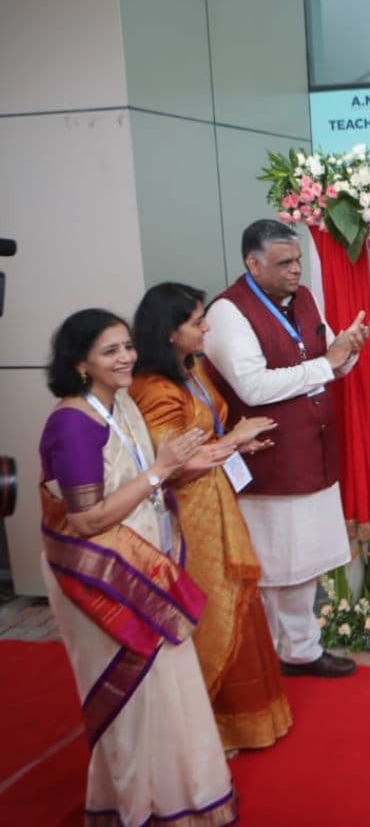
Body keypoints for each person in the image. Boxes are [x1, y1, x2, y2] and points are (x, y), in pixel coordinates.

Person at [38, 309, 236, 826]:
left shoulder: (120, 404)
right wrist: (160, 471)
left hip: (144, 561)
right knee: (135, 698)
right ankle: (135, 808)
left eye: (127, 346)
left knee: (169, 688)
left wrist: (200, 458)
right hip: (99, 576)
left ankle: (179, 800)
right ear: (80, 363)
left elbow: (146, 478)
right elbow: (86, 519)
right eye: (110, 351)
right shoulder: (72, 425)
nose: (126, 357)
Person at [203, 220, 370, 678]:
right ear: (253, 264)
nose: (296, 270)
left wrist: (348, 349)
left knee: (305, 562)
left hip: (313, 452)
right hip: (269, 459)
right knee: (272, 566)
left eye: (298, 260)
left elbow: (329, 361)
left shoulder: (304, 299)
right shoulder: (228, 312)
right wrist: (327, 363)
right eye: (284, 263)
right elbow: (253, 387)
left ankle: (301, 650)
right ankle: (262, 654)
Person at [130, 282, 293, 752]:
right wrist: (234, 440)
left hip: (215, 499)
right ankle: (208, 730)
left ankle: (246, 719)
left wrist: (234, 444)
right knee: (210, 611)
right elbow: (171, 466)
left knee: (237, 603)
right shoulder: (153, 389)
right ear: (169, 331)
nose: (206, 328)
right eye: (197, 321)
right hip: (186, 517)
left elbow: (207, 437)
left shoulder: (190, 369)